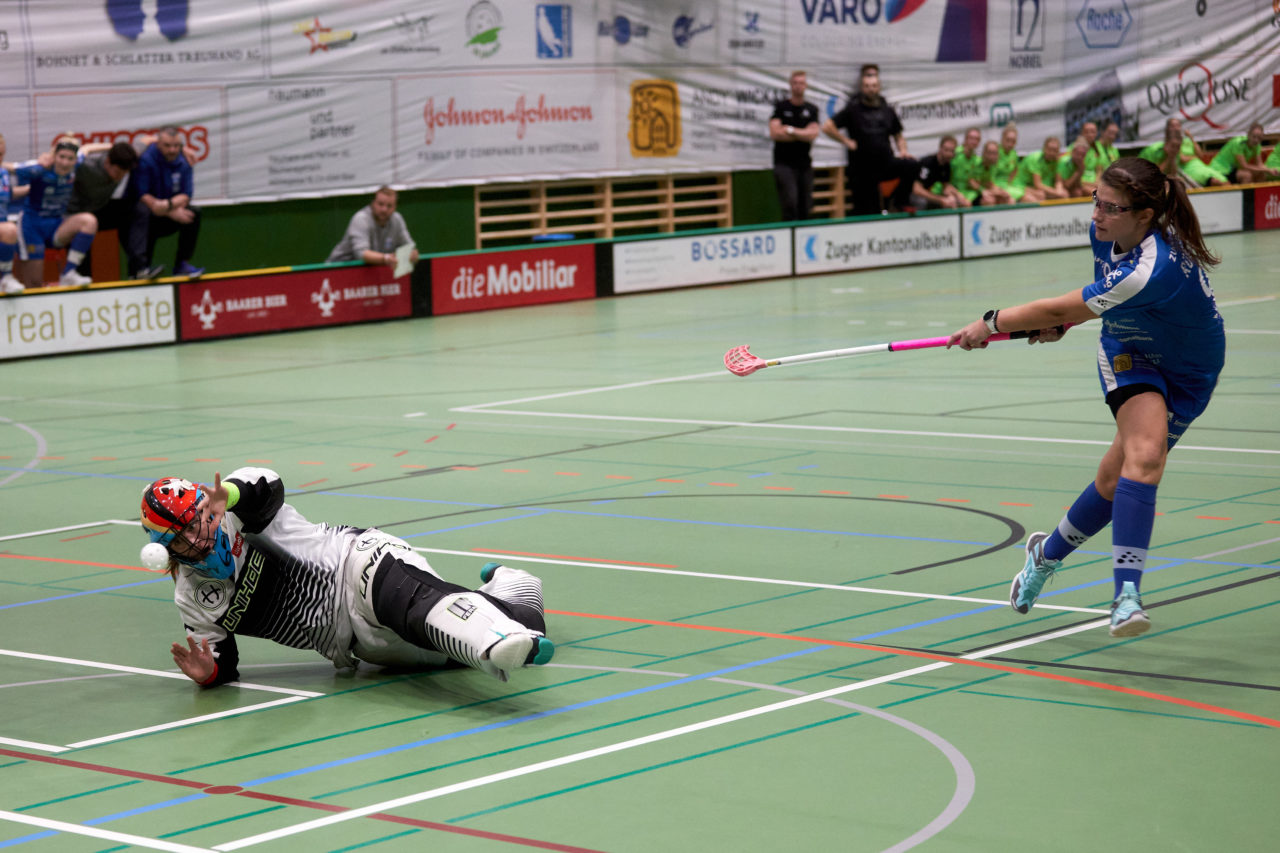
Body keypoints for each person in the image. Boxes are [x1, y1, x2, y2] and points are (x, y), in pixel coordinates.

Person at [947, 157, 1224, 638]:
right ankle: (1126, 597)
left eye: (1110, 207)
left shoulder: (1155, 267)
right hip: (1129, 353)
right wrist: (1067, 324)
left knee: (1114, 480)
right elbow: (1098, 301)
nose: (1096, 214)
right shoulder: (1107, 233)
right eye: (1096, 199)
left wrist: (989, 322)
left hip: (1190, 374)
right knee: (1146, 455)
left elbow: (1065, 303)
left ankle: (1045, 555)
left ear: (1144, 214)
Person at [142, 468, 554, 687]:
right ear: (166, 549)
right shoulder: (192, 599)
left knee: (416, 606)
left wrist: (226, 496)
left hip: (356, 565)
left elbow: (267, 486)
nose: (201, 533)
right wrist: (207, 674)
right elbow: (223, 663)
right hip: (356, 645)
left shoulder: (236, 510)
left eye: (200, 517)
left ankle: (491, 640)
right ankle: (512, 590)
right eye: (185, 534)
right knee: (527, 627)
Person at [821, 63, 917, 214]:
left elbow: (898, 135)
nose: (871, 89)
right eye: (867, 86)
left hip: (885, 162)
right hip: (862, 168)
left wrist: (903, 150)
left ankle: (899, 201)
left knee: (911, 165)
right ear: (862, 87)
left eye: (874, 86)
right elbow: (827, 126)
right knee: (868, 209)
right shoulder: (853, 109)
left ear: (878, 87)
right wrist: (846, 141)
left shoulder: (887, 110)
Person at [13, 138, 98, 288]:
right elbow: (9, 167)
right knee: (34, 284)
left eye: (70, 158)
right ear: (54, 156)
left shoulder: (76, 165)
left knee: (89, 221)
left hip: (56, 226)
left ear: (75, 160)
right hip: (31, 226)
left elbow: (88, 148)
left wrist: (113, 146)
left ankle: (68, 274)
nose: (65, 163)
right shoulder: (39, 169)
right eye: (62, 157)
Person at [131, 126, 203, 279]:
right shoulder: (146, 159)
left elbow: (186, 194)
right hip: (150, 213)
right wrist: (165, 209)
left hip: (169, 210)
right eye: (168, 146)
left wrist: (169, 206)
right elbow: (142, 193)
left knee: (194, 213)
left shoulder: (184, 161)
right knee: (141, 211)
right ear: (158, 144)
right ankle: (142, 269)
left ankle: (182, 265)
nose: (172, 150)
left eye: (176, 146)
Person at [67, 141, 141, 278]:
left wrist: (183, 151)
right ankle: (81, 279)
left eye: (124, 173)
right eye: (117, 172)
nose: (120, 177)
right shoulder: (87, 165)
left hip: (98, 209)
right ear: (107, 161)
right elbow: (78, 153)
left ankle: (138, 270)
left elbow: (147, 141)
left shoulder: (125, 159)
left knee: (134, 210)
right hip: (73, 214)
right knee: (83, 232)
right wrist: (106, 146)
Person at [768, 70, 821, 221]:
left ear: (806, 86)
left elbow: (812, 134)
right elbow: (775, 133)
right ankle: (789, 235)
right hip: (784, 164)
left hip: (804, 164)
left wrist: (790, 130)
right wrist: (802, 134)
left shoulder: (811, 109)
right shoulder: (781, 107)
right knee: (790, 203)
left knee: (806, 206)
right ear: (791, 85)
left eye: (801, 83)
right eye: (795, 83)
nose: (798, 86)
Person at [327, 186, 420, 268]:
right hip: (337, 269)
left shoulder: (397, 219)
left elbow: (410, 247)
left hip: (369, 272)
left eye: (389, 206)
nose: (384, 209)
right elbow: (361, 254)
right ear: (373, 203)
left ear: (395, 207)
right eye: (380, 204)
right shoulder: (361, 219)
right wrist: (386, 258)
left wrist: (412, 254)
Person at [0, 132, 30, 294]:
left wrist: (30, 189)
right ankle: (5, 277)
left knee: (11, 230)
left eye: (2, 154)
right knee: (9, 229)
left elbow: (7, 193)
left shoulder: (3, 173)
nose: (0, 158)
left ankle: (5, 279)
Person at [910, 135, 969, 209]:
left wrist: (960, 196)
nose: (949, 154)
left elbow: (946, 186)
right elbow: (917, 190)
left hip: (926, 193)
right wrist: (941, 199)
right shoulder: (928, 163)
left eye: (952, 151)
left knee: (953, 201)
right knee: (923, 203)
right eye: (946, 150)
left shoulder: (946, 165)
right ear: (940, 148)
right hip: (911, 195)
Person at [1208, 122, 1279, 184]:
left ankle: (1259, 198)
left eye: (1259, 138)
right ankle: (1246, 199)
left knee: (1261, 174)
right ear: (1248, 135)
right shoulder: (1238, 143)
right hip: (1220, 169)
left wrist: (1271, 170)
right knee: (1246, 175)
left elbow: (1260, 165)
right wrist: (1267, 170)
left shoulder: (1257, 146)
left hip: (1234, 170)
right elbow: (1244, 165)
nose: (1256, 140)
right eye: (1254, 137)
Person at [1165, 118, 1227, 188]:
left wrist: (1191, 137)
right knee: (1216, 182)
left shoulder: (1187, 140)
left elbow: (1201, 155)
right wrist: (1195, 157)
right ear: (1168, 128)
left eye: (1177, 125)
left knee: (1226, 182)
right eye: (1172, 126)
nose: (1175, 128)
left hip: (1200, 166)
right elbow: (1183, 159)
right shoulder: (1171, 142)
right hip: (1189, 170)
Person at [1014, 136, 1067, 202]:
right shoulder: (1035, 158)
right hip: (1021, 186)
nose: (1052, 153)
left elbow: (1058, 181)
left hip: (1040, 188)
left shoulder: (1059, 161)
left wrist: (1059, 190)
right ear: (1044, 149)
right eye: (1049, 149)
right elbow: (1038, 184)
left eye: (1055, 150)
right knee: (1040, 196)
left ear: (1058, 151)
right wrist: (1057, 192)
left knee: (1064, 193)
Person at [949, 127, 983, 206]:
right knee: (965, 203)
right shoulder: (954, 153)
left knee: (988, 200)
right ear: (965, 139)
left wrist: (983, 191)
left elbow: (975, 182)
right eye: (971, 138)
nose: (974, 141)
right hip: (951, 189)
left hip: (967, 192)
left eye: (977, 139)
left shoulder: (978, 160)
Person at [972, 140, 1011, 206]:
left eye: (995, 153)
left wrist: (1001, 191)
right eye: (990, 153)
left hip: (985, 191)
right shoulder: (977, 164)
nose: (992, 156)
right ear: (984, 153)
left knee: (1008, 199)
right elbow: (972, 182)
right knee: (990, 201)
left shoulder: (993, 166)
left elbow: (990, 183)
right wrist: (983, 191)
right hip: (973, 193)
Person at [992, 123, 1024, 202]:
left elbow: (1015, 170)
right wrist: (998, 190)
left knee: (1035, 197)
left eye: (1013, 141)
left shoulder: (1014, 154)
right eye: (1008, 140)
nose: (1010, 144)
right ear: (1002, 139)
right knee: (1011, 201)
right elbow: (988, 177)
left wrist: (1010, 183)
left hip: (1008, 185)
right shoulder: (995, 152)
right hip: (996, 186)